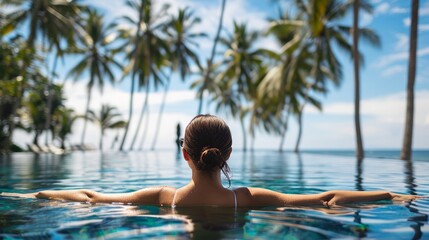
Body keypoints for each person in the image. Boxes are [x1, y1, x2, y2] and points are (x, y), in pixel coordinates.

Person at [0, 114, 422, 208]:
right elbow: (328, 198)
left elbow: (90, 197)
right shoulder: (247, 198)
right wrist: (397, 194)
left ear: (184, 153)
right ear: (228, 155)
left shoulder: (163, 198)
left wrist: (27, 193)